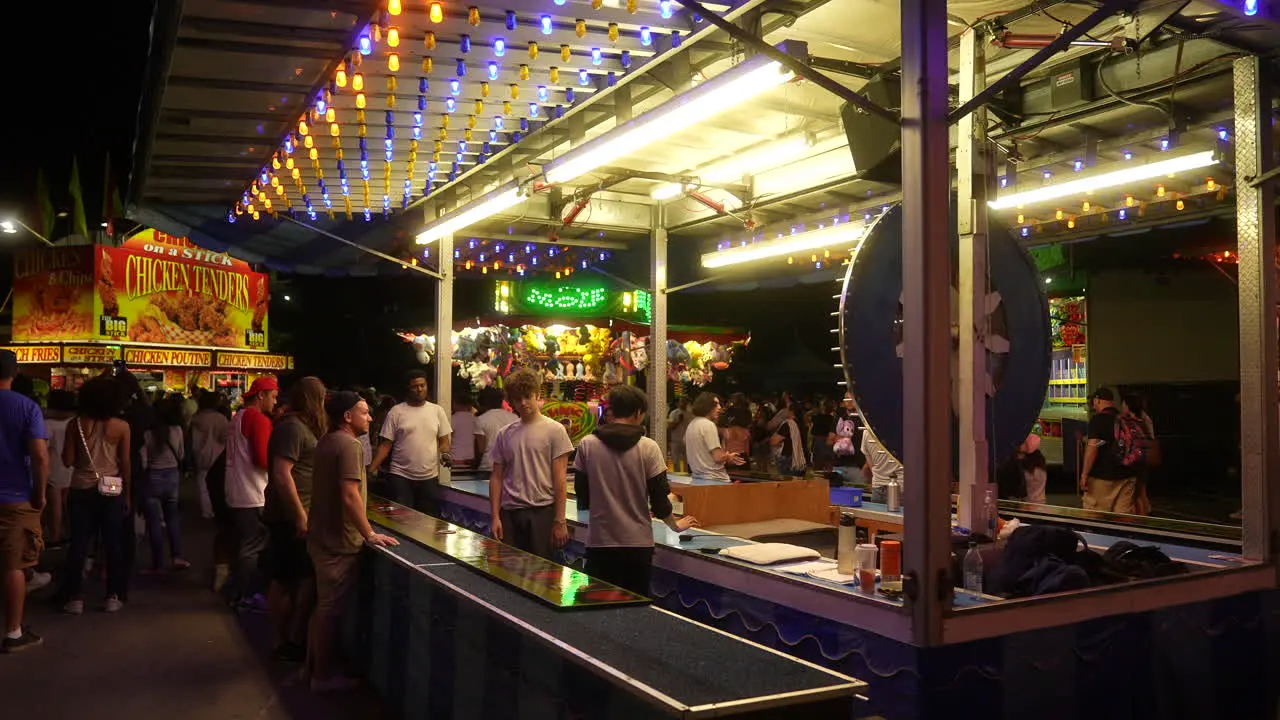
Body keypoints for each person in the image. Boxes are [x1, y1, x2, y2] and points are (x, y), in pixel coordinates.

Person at [307, 392, 398, 692]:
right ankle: (321, 677)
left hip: (321, 537)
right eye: (364, 412)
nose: (370, 418)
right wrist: (369, 533)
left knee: (322, 607)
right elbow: (349, 495)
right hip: (340, 542)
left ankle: (313, 669)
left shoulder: (326, 440)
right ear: (347, 416)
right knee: (329, 611)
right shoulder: (350, 446)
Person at [574, 385, 698, 596]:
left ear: (612, 411)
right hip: (637, 545)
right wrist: (675, 526)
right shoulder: (648, 447)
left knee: (599, 605)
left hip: (599, 543)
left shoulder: (587, 445)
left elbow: (582, 495)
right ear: (638, 413)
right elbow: (660, 499)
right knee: (635, 607)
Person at [265, 376, 327, 664]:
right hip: (289, 517)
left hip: (301, 515)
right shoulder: (291, 427)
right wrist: (299, 515)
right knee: (286, 580)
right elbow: (281, 473)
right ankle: (280, 642)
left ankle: (292, 639)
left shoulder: (302, 427)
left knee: (301, 580)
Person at [60, 375, 130, 615]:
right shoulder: (121, 427)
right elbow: (126, 463)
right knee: (112, 544)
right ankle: (112, 595)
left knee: (78, 543)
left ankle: (75, 597)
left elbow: (67, 461)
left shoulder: (75, 424)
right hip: (111, 489)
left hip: (81, 488)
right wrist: (128, 495)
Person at [488, 369, 574, 560]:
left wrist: (560, 520)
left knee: (541, 574)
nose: (523, 403)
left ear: (537, 395)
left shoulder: (555, 430)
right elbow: (496, 477)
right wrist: (495, 516)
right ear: (512, 401)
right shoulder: (504, 433)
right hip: (509, 513)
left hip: (542, 512)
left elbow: (560, 479)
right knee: (508, 572)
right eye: (518, 399)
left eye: (527, 397)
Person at [0, 350, 49, 652]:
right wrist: (40, 494)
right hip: (16, 499)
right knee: (14, 566)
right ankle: (14, 633)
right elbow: (40, 457)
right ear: (15, 373)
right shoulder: (27, 407)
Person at [226, 376, 279, 611]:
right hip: (253, 493)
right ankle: (245, 597)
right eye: (274, 396)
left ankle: (238, 593)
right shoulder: (258, 419)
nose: (276, 402)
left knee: (243, 546)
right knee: (252, 548)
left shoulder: (238, 417)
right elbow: (262, 459)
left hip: (236, 491)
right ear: (261, 395)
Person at [369, 370, 452, 515]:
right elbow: (385, 445)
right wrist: (371, 469)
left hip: (429, 477)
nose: (419, 389)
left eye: (422, 385)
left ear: (427, 386)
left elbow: (444, 441)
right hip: (400, 475)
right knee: (402, 519)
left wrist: (445, 454)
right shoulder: (396, 411)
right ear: (408, 388)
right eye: (415, 386)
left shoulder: (437, 411)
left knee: (428, 520)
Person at [140, 397, 189, 573]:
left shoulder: (148, 434)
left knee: (154, 523)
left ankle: (158, 563)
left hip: (153, 477)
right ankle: (176, 556)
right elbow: (182, 455)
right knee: (173, 518)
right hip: (172, 476)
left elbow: (143, 461)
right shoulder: (177, 431)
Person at [1080, 388, 1138, 514]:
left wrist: (1084, 474)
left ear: (1098, 401)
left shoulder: (1098, 420)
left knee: (1095, 517)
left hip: (1102, 478)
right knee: (1123, 519)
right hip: (1127, 476)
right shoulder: (1126, 420)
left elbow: (1093, 448)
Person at [684, 393, 743, 482]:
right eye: (716, 404)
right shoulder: (708, 425)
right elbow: (718, 457)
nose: (719, 407)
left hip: (697, 479)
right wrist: (728, 456)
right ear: (706, 406)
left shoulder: (692, 425)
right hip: (715, 480)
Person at [43, 390, 76, 547]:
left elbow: (44, 449)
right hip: (72, 467)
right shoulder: (75, 422)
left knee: (54, 504)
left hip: (54, 466)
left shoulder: (47, 424)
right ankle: (69, 533)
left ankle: (55, 536)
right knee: (67, 503)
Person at [190, 390, 229, 520]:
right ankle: (216, 508)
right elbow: (226, 438)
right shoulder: (221, 418)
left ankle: (207, 511)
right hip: (218, 455)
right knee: (218, 484)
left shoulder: (196, 418)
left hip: (200, 454)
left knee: (203, 485)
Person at [1122, 393, 1157, 516]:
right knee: (1142, 492)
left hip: (1136, 460)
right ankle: (1147, 515)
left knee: (1136, 494)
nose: (1122, 407)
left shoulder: (1131, 423)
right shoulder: (1145, 420)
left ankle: (1142, 520)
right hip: (1145, 460)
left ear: (1128, 406)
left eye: (1124, 404)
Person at [474, 386, 518, 474]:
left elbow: (480, 449)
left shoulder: (480, 419)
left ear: (483, 403)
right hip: (510, 467)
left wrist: (475, 464)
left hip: (488, 467)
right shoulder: (514, 418)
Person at [860, 426, 903, 504]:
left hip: (878, 489)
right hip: (901, 489)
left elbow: (870, 464)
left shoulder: (867, 430)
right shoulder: (902, 428)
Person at [770, 402, 809, 477]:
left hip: (788, 459)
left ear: (791, 411)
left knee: (787, 485)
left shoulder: (789, 424)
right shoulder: (803, 424)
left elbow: (774, 441)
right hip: (801, 459)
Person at [449, 394, 478, 468]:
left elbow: (448, 439)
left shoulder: (452, 419)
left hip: (455, 458)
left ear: (455, 404)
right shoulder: (476, 420)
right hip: (471, 460)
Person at [667, 398, 690, 472]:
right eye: (682, 402)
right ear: (678, 403)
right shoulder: (674, 413)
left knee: (687, 461)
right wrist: (678, 421)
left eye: (685, 402)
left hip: (687, 441)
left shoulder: (689, 413)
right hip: (675, 440)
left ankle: (687, 478)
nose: (683, 403)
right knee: (675, 461)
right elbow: (670, 427)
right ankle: (677, 478)